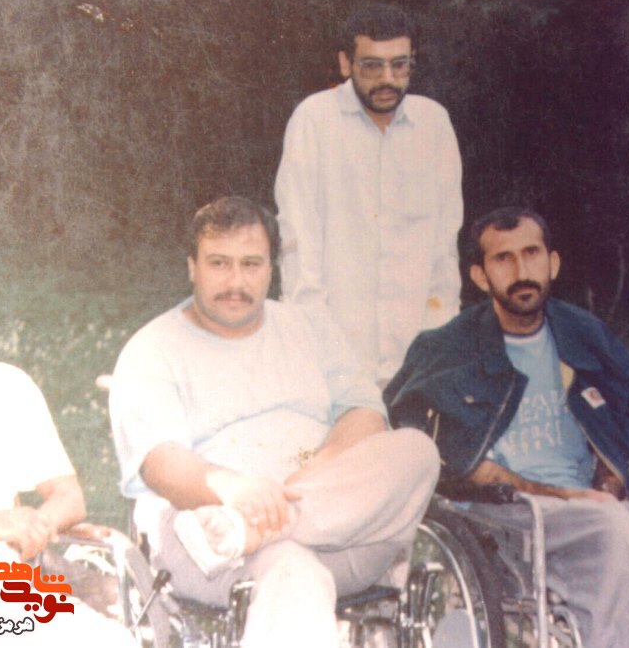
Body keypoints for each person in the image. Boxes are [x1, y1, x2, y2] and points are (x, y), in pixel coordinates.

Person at [385, 207, 629, 648]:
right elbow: (447, 458)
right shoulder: (450, 349)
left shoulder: (581, 332)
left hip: (594, 504)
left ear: (553, 262)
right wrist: (569, 497)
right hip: (509, 515)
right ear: (480, 276)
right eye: (503, 259)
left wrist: (611, 482)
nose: (522, 271)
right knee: (614, 531)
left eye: (531, 253)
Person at [108, 197, 439, 647]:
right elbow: (160, 463)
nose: (236, 282)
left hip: (336, 535)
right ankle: (255, 528)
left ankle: (254, 527)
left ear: (271, 269)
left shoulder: (309, 329)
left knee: (416, 449)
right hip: (208, 542)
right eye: (219, 264)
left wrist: (308, 480)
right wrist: (235, 489)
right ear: (192, 267)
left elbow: (364, 411)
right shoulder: (153, 349)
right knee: (293, 573)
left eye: (251, 264)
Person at [274, 3, 463, 388]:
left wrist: (440, 348)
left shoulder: (434, 124)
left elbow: (444, 253)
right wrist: (317, 352)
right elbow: (297, 246)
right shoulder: (314, 120)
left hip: (418, 360)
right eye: (372, 66)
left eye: (399, 65)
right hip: (336, 359)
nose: (387, 79)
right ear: (346, 63)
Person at [0, 238, 136, 646]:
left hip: (5, 582)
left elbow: (68, 496)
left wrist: (35, 525)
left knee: (113, 642)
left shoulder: (9, 387)